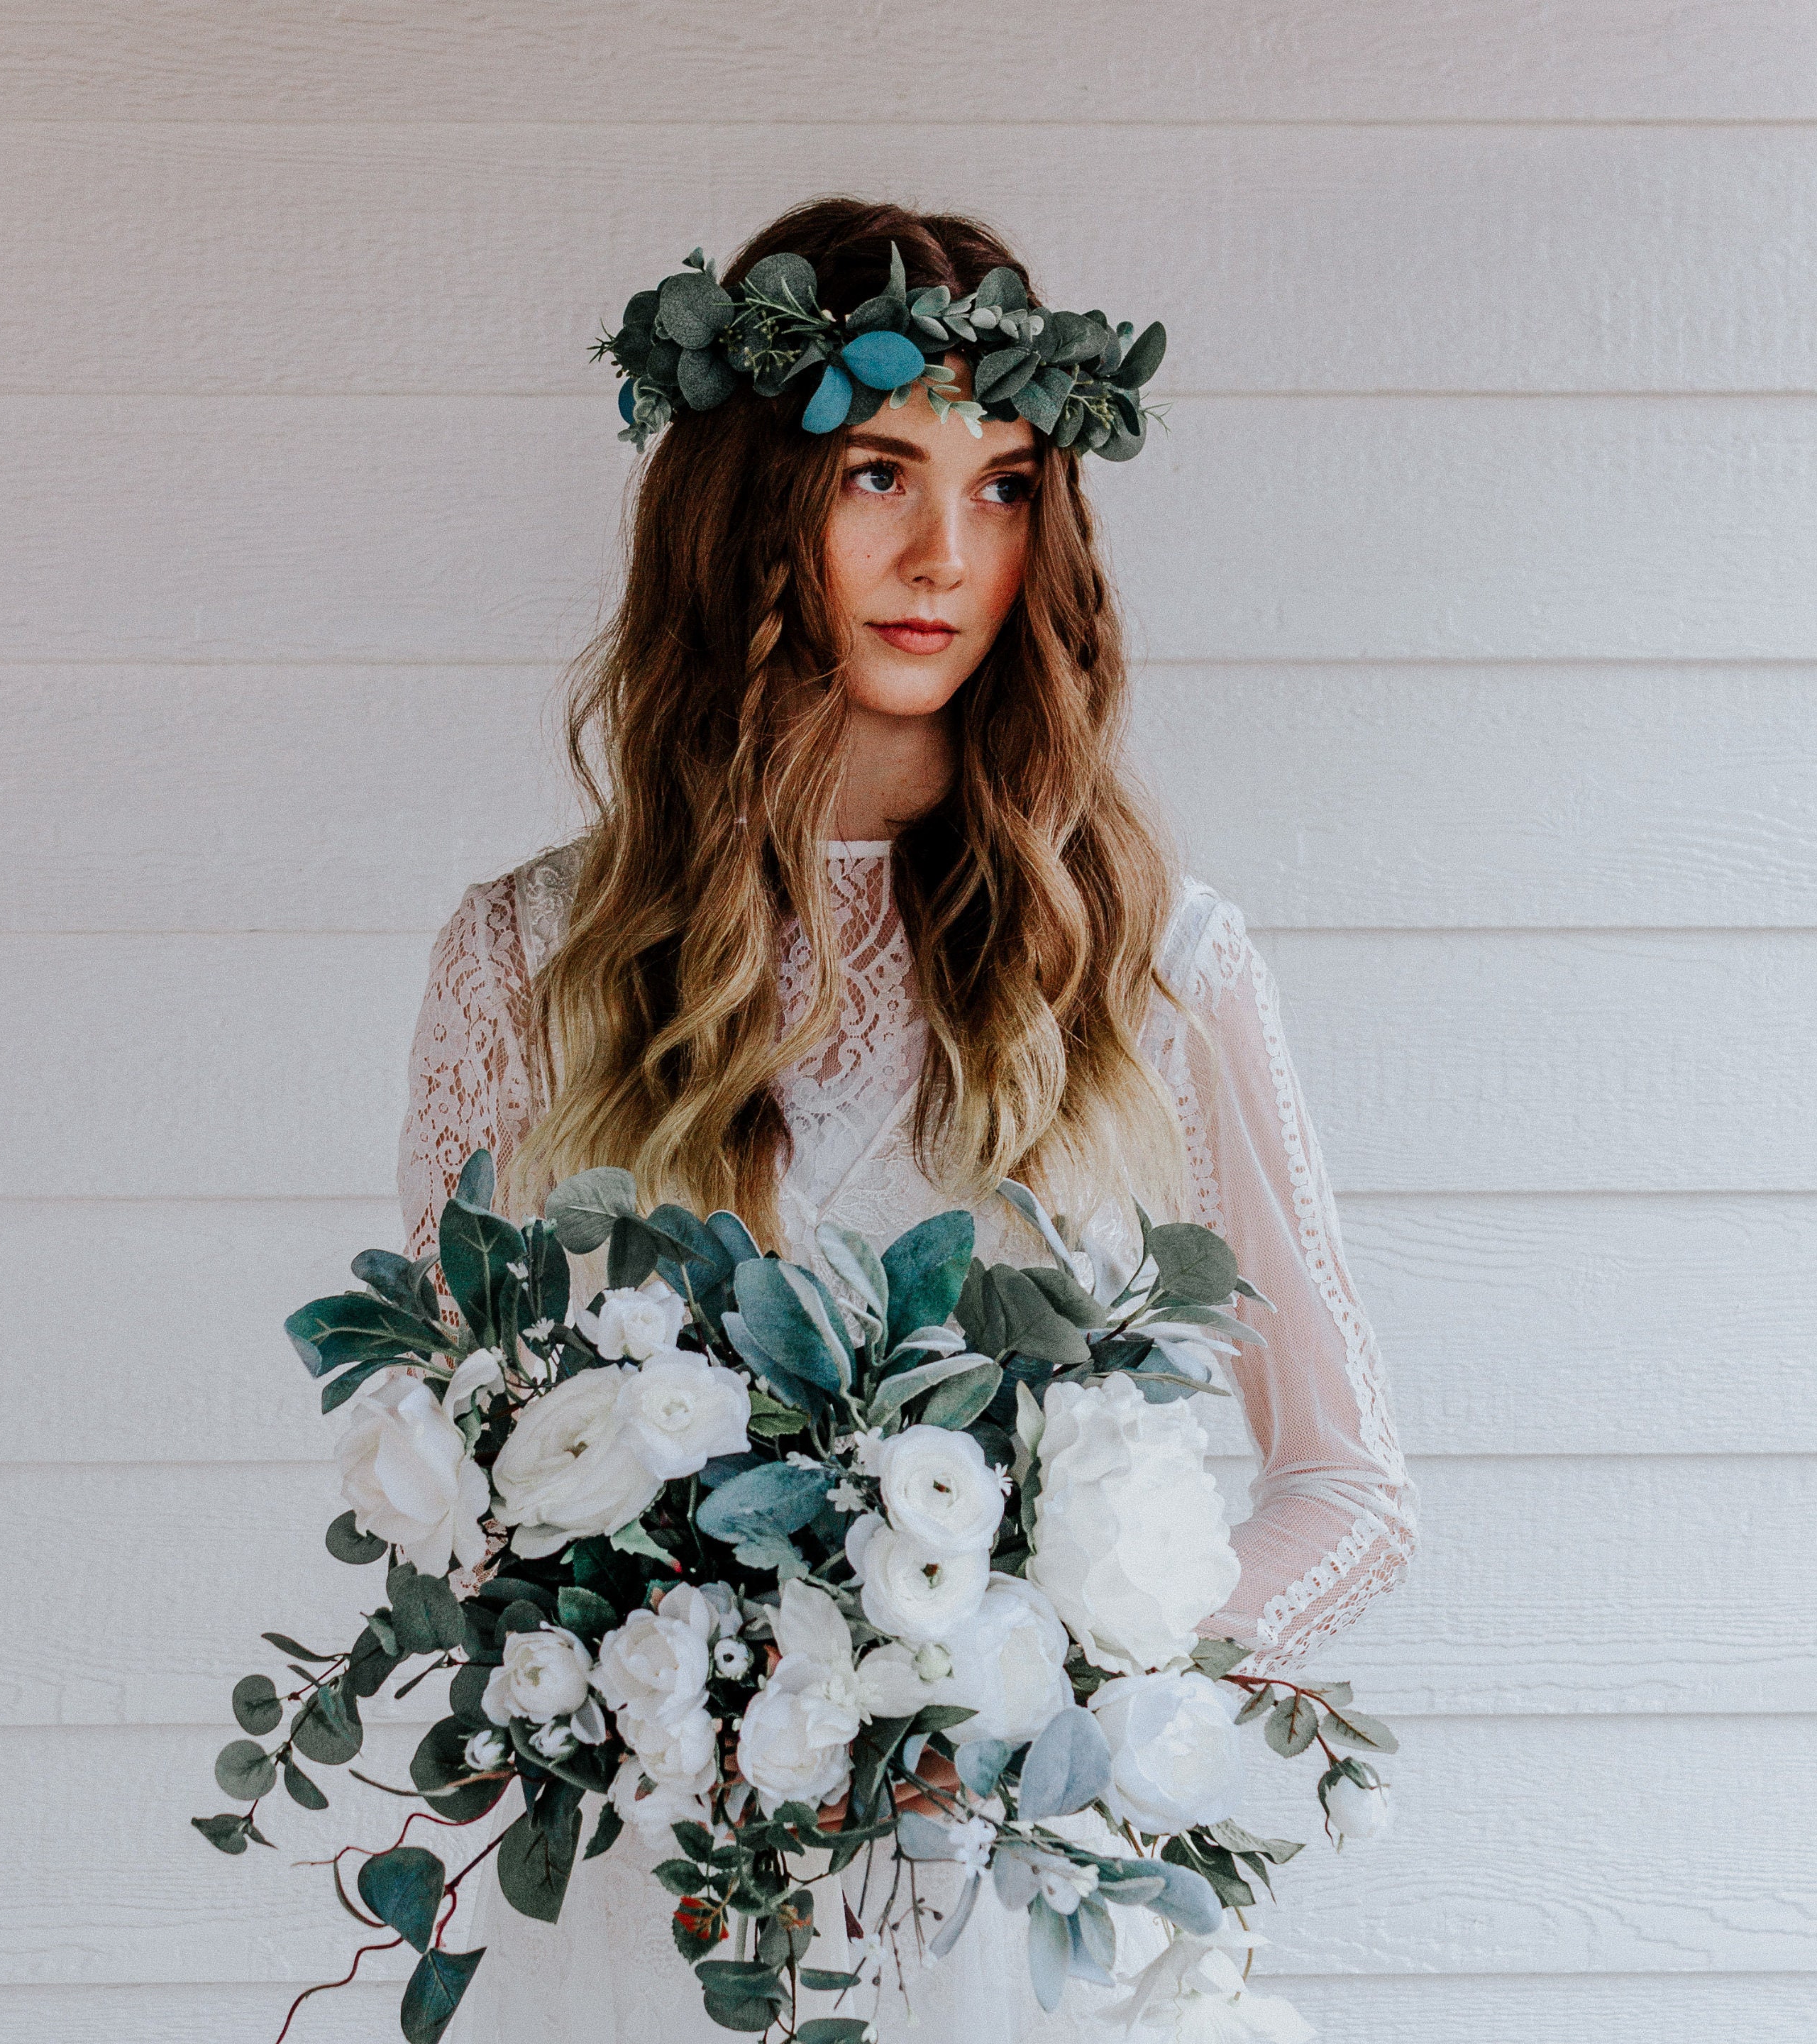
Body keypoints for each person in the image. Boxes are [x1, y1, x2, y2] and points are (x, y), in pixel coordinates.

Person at [397, 198, 1415, 2042]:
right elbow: (462, 1466)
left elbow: (1347, 1485)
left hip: (1025, 1920)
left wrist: (1046, 1692)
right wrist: (700, 1670)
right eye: (880, 471)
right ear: (744, 506)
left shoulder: (1160, 966)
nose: (948, 550)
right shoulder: (529, 958)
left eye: (1006, 484)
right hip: (667, 1907)